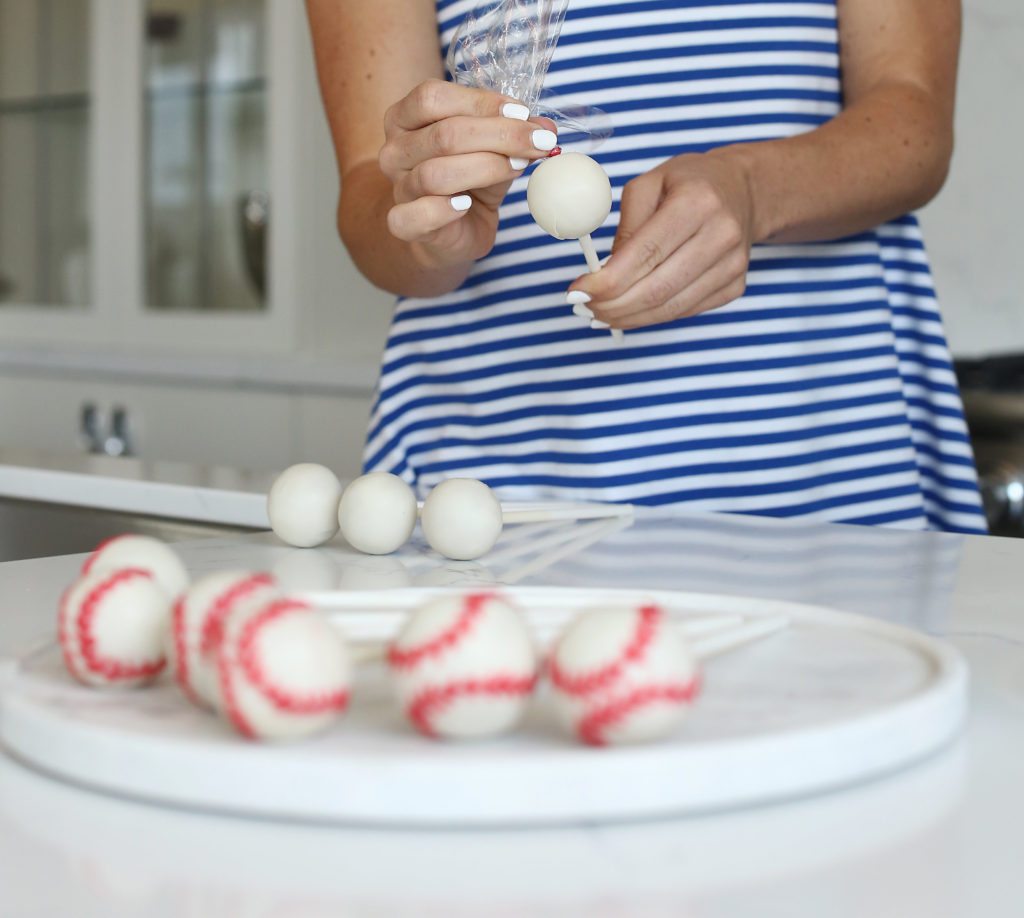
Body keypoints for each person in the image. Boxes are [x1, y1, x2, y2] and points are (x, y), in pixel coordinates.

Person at [305, 0, 986, 533]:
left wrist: (754, 190)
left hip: (820, 451)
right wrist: (428, 231)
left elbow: (915, 119)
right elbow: (370, 195)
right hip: (502, 487)